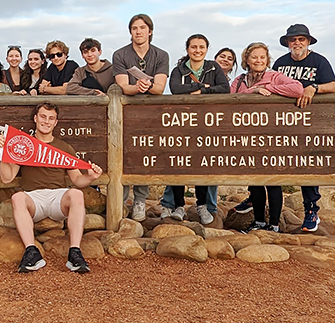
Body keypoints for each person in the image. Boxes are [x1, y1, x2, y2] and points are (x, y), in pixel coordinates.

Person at [0, 102, 103, 273]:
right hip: (33, 198)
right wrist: (3, 154)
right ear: (35, 118)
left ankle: (75, 252)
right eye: (43, 117)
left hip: (57, 198)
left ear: (55, 122)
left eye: (51, 118)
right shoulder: (25, 145)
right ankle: (31, 251)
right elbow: (7, 177)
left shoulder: (64, 148)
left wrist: (91, 177)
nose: (46, 121)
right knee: (17, 197)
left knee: (76, 194)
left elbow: (77, 180)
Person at [231, 42, 304, 232]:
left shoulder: (275, 77)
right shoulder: (238, 81)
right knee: (255, 181)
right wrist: (252, 91)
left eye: (262, 57)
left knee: (272, 182)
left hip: (270, 137)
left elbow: (297, 89)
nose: (258, 60)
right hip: (247, 138)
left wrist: (271, 89)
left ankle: (274, 224)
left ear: (268, 59)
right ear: (246, 59)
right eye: (254, 57)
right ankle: (259, 221)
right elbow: (230, 99)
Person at [272, 23, 335, 232]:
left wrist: (314, 88)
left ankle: (311, 210)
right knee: (269, 160)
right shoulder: (280, 63)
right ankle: (260, 205)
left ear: (308, 41)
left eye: (301, 39)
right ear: (287, 43)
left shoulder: (319, 61)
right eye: (293, 39)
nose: (297, 43)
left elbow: (333, 86)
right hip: (281, 124)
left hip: (309, 124)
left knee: (307, 165)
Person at [160, 34, 229, 225]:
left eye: (201, 47)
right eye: (193, 47)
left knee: (202, 163)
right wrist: (202, 85)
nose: (197, 50)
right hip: (182, 122)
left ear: (207, 49)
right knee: (179, 163)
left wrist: (202, 91)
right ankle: (178, 205)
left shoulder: (213, 67)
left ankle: (203, 205)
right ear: (187, 49)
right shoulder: (179, 69)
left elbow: (224, 88)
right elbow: (175, 88)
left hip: (207, 123)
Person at [113, 14, 169, 221]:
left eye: (142, 28)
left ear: (150, 31)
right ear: (130, 32)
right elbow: (123, 86)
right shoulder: (120, 55)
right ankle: (121, 199)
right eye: (134, 28)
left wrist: (148, 87)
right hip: (126, 114)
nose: (138, 31)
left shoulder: (161, 55)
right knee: (124, 154)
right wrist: (136, 87)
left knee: (144, 156)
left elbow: (160, 88)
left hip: (151, 115)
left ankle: (140, 201)